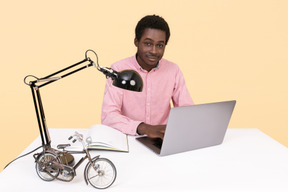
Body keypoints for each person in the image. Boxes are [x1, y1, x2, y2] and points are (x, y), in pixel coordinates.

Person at [101, 15, 193, 139]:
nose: (154, 51)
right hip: (129, 138)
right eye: (148, 43)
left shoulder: (173, 70)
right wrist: (144, 128)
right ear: (136, 42)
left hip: (163, 138)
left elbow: (186, 110)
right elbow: (109, 116)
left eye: (160, 45)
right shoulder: (119, 70)